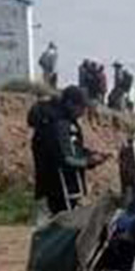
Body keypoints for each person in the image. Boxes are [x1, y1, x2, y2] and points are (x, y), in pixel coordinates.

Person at [28, 85, 108, 218]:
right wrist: (89, 161)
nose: (83, 112)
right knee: (61, 231)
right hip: (61, 191)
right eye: (81, 107)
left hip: (47, 188)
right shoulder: (61, 124)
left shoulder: (50, 120)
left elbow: (72, 149)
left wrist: (89, 154)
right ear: (70, 103)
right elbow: (65, 158)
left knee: (46, 232)